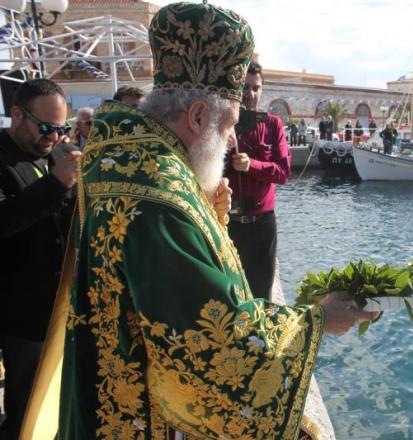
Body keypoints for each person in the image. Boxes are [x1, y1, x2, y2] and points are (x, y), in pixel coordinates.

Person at [28, 4, 377, 439]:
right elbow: (216, 347)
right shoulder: (161, 198)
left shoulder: (118, 156)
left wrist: (207, 209)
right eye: (229, 122)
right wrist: (318, 320)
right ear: (196, 117)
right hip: (145, 414)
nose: (232, 136)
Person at [0, 79, 80, 439]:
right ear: (16, 114)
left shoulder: (51, 159)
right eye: (46, 127)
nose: (54, 137)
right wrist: (57, 185)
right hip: (18, 314)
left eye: (62, 129)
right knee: (25, 412)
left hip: (56, 308)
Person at [225, 61, 290, 301]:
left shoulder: (272, 125)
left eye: (256, 88)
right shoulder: (223, 125)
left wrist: (252, 165)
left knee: (262, 293)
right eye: (245, 87)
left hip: (262, 223)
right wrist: (222, 142)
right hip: (228, 221)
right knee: (230, 293)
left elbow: (283, 172)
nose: (250, 93)